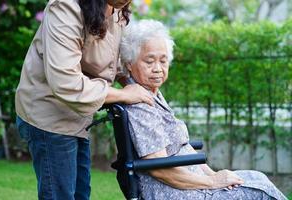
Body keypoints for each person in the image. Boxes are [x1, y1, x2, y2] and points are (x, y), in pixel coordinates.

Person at [120, 19, 288, 200]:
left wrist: (212, 174)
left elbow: (181, 146)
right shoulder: (141, 104)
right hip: (173, 193)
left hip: (191, 185)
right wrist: (213, 182)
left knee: (257, 178)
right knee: (260, 193)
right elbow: (160, 169)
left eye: (163, 60)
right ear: (130, 63)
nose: (158, 69)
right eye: (149, 61)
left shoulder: (153, 94)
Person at [15, 0, 154, 200]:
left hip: (77, 117)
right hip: (48, 114)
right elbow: (65, 81)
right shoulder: (65, 7)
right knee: (60, 195)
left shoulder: (116, 10)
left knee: (81, 194)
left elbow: (109, 60)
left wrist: (136, 81)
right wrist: (124, 94)